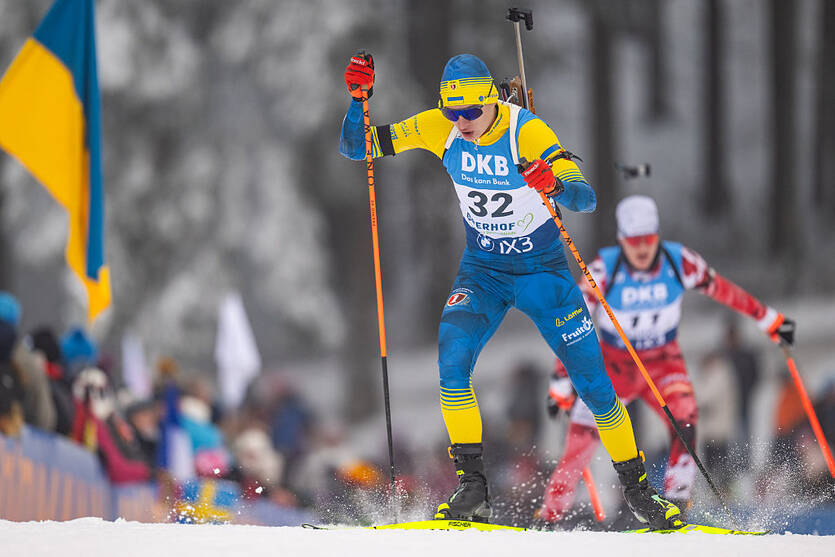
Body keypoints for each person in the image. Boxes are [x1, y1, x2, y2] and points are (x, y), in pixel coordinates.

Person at [340, 52, 682, 528]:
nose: (461, 123)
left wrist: (554, 183)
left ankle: (642, 495)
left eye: (470, 113)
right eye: (452, 112)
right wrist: (358, 102)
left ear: (492, 102)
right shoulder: (439, 125)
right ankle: (473, 489)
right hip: (482, 271)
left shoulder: (527, 131)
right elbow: (358, 148)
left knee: (596, 387)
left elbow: (586, 197)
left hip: (542, 273)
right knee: (452, 362)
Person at [540, 194, 796, 522]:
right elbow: (572, 324)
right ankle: (549, 515)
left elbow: (722, 290)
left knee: (685, 419)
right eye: (634, 241)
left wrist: (767, 319)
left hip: (663, 363)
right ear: (622, 240)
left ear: (657, 236)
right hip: (614, 365)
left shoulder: (679, 261)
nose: (642, 248)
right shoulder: (605, 268)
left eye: (648, 239)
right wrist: (561, 382)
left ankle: (675, 504)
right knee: (580, 441)